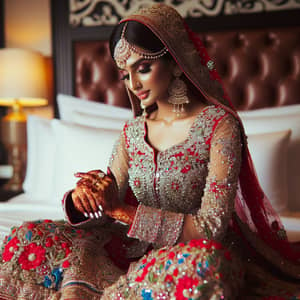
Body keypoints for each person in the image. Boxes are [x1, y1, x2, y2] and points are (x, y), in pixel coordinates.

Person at [0, 3, 300, 299]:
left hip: (191, 254)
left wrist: (124, 212)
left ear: (174, 61)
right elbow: (109, 204)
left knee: (203, 268)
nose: (133, 84)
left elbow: (211, 229)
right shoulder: (132, 132)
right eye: (125, 75)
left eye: (143, 68)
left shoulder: (220, 127)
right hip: (129, 250)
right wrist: (86, 199)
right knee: (27, 238)